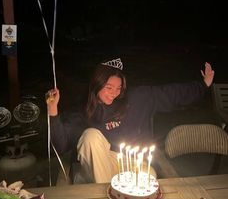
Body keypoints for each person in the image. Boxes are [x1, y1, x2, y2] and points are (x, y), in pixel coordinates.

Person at [46, 58, 214, 184]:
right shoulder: (84, 111)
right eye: (109, 88)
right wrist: (53, 111)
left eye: (118, 88)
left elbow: (172, 94)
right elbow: (60, 145)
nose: (114, 93)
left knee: (147, 181)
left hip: (134, 165)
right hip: (103, 165)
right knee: (90, 136)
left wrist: (203, 85)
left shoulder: (138, 99)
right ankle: (105, 198)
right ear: (97, 85)